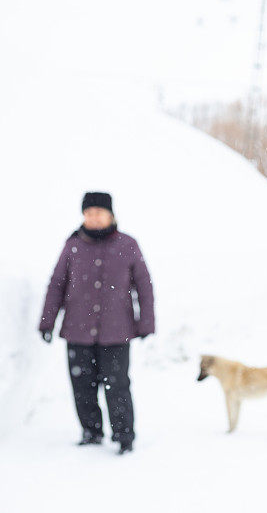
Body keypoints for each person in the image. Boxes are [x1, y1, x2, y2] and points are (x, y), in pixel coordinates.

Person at [39, 192, 155, 455]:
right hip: (77, 331)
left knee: (118, 386)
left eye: (98, 212)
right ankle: (91, 432)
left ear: (110, 215)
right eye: (88, 213)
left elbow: (144, 286)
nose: (93, 217)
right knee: (82, 387)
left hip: (117, 331)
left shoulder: (128, 244)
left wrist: (145, 323)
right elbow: (57, 284)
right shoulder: (73, 245)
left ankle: (124, 435)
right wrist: (47, 321)